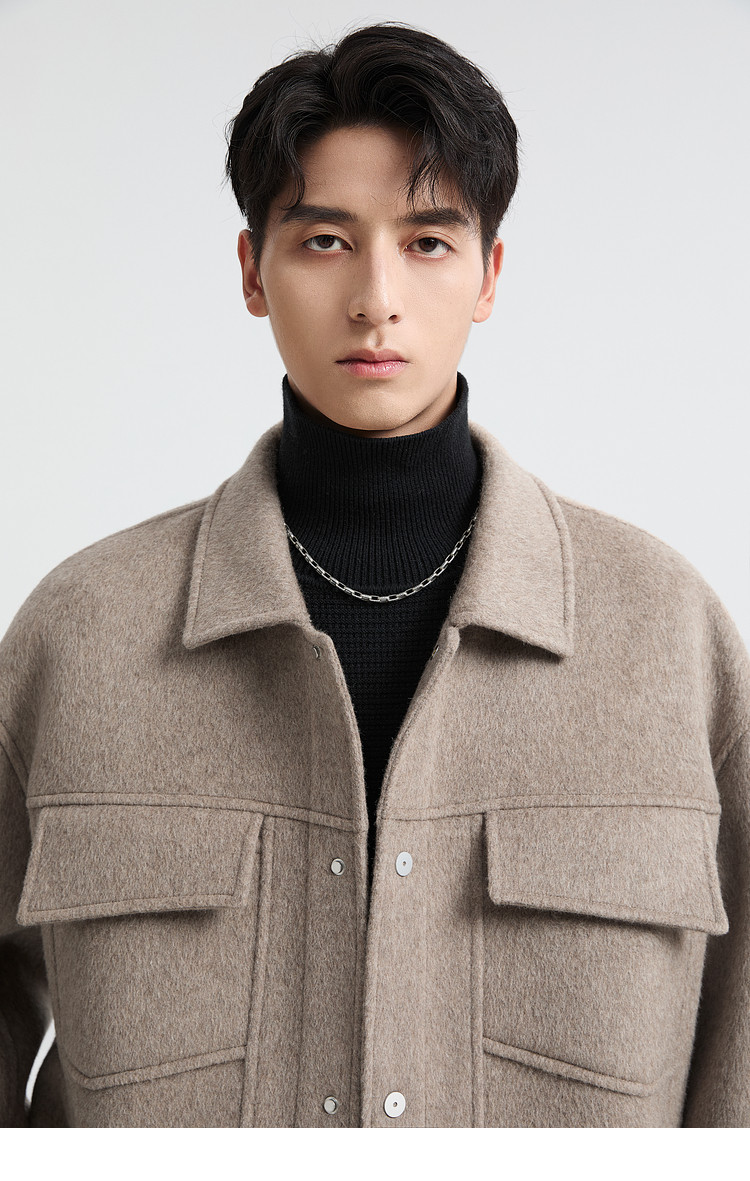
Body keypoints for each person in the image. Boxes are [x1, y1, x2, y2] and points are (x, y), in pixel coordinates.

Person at [0, 20, 748, 1129]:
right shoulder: (79, 636)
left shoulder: (667, 636)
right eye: (324, 240)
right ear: (252, 271)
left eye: (429, 240)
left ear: (490, 275)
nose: (376, 297)